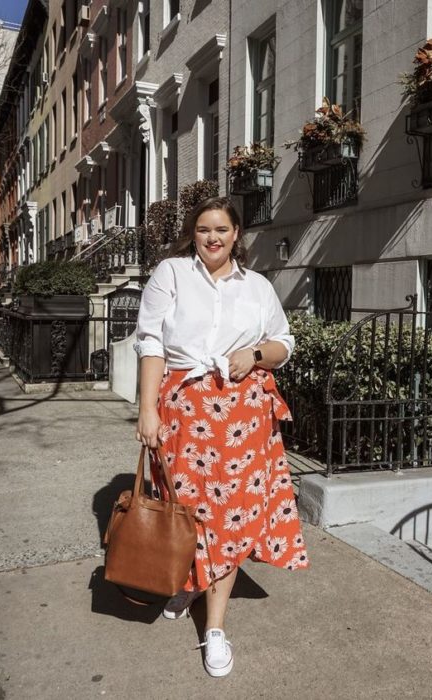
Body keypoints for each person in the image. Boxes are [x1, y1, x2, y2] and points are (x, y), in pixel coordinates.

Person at [134, 196, 308, 678]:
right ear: (194, 233)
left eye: (222, 230)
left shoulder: (256, 286)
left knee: (228, 519)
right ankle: (189, 581)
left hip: (243, 419)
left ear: (236, 235)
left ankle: (214, 628)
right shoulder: (170, 273)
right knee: (186, 510)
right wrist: (147, 409)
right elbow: (151, 343)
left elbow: (283, 344)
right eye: (204, 229)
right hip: (184, 413)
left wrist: (253, 354)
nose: (213, 237)